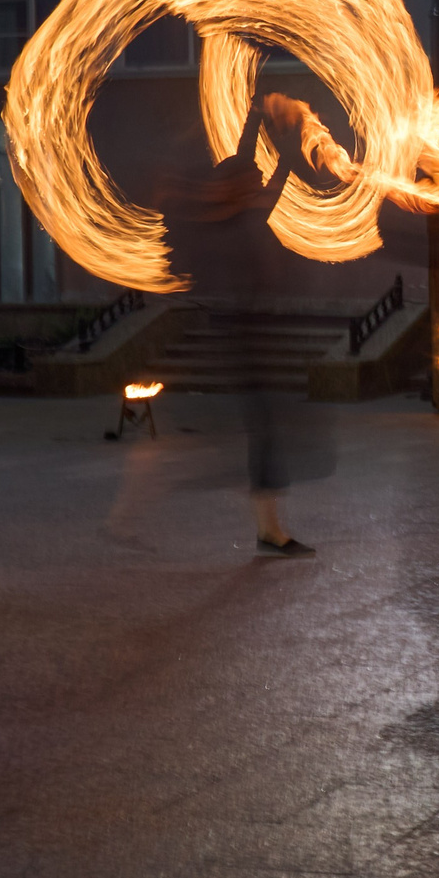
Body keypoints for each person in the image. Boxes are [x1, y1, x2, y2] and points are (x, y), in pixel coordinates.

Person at [167, 97, 317, 558]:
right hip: (242, 332)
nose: (258, 183)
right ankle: (268, 528)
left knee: (269, 425)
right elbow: (257, 175)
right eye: (249, 182)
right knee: (267, 424)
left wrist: (259, 122)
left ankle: (269, 525)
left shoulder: (244, 212)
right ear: (235, 190)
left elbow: (263, 173)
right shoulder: (232, 221)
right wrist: (285, 149)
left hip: (253, 328)